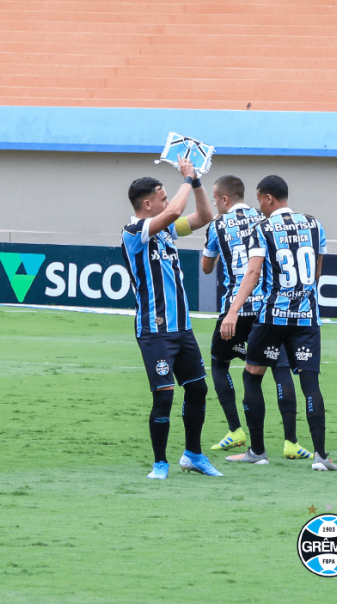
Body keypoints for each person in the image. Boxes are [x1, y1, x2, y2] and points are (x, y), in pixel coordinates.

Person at [220, 175, 337, 471]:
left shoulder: (262, 228)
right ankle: (321, 456)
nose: (258, 206)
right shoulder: (314, 224)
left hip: (273, 315)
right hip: (307, 316)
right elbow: (317, 273)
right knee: (310, 382)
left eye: (259, 199)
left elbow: (252, 274)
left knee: (252, 375)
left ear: (268, 197)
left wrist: (233, 311)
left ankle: (257, 451)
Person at [120, 157, 221, 479]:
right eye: (162, 198)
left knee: (198, 390)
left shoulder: (165, 233)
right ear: (147, 204)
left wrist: (198, 182)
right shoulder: (135, 231)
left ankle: (193, 454)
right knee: (164, 396)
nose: (168, 202)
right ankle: (160, 463)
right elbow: (176, 211)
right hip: (155, 331)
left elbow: (204, 216)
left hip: (182, 328)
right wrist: (186, 179)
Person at [201, 175, 311, 460]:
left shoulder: (217, 225)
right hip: (267, 308)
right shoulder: (262, 218)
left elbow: (206, 267)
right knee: (280, 369)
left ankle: (236, 430)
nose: (214, 203)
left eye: (215, 198)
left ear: (225, 199)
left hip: (234, 309)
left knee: (219, 364)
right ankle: (291, 442)